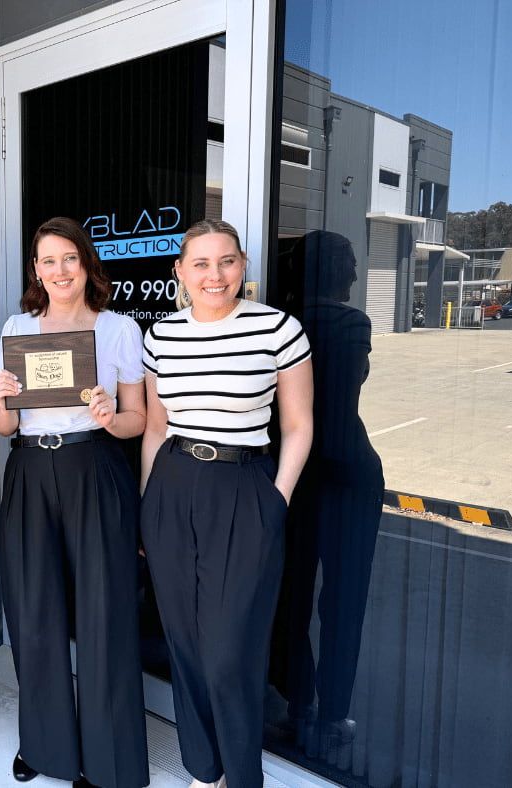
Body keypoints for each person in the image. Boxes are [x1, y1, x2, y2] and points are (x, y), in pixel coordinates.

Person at [140, 219, 313, 788]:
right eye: (200, 263)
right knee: (184, 641)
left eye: (226, 261)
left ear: (242, 265)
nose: (214, 275)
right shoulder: (161, 336)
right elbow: (156, 427)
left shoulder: (278, 328)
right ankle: (203, 768)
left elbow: (298, 425)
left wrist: (277, 499)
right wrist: (147, 504)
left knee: (229, 650)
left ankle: (241, 775)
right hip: (172, 483)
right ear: (180, 272)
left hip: (244, 486)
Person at [0, 216, 150, 788]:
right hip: (31, 469)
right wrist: (1, 399)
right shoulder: (18, 327)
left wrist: (110, 416)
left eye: (69, 258)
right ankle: (45, 746)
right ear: (35, 270)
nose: (59, 270)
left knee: (105, 611)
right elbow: (3, 426)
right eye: (47, 261)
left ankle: (109, 761)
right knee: (34, 610)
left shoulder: (118, 329)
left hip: (94, 465)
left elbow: (138, 420)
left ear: (85, 264)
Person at [268, 231, 384, 759]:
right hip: (347, 475)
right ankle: (334, 714)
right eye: (351, 264)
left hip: (293, 474)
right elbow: (343, 397)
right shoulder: (349, 324)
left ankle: (299, 706)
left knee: (290, 597)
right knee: (344, 600)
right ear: (334, 271)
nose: (356, 274)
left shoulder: (278, 324)